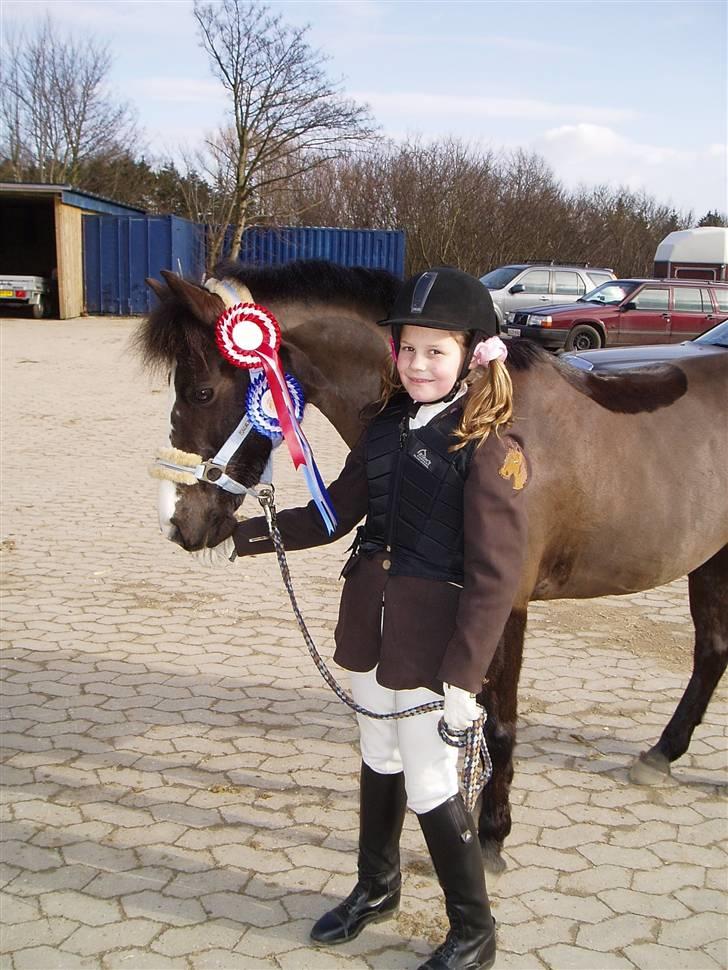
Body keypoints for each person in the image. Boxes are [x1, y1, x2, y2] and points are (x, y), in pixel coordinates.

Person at [230, 266, 529, 970]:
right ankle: (376, 886)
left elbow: (495, 579)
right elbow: (335, 513)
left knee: (430, 781)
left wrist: (465, 679)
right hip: (371, 630)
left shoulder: (490, 447)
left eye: (437, 350)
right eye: (408, 348)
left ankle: (474, 928)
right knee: (378, 757)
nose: (419, 364)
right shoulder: (385, 426)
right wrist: (238, 534)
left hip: (433, 649)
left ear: (471, 354)